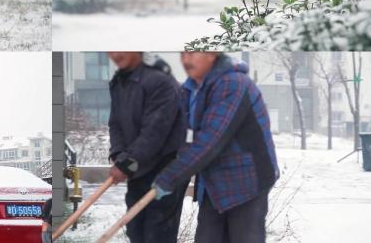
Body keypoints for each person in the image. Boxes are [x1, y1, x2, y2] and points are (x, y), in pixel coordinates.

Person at [153, 53, 280, 243]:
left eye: (194, 54)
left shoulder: (233, 84)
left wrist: (170, 177)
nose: (186, 60)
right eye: (183, 54)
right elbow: (180, 134)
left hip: (247, 183)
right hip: (214, 185)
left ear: (212, 55)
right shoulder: (191, 88)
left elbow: (210, 140)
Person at [107, 52, 187, 243]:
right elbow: (115, 123)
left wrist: (126, 163)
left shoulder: (160, 81)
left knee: (157, 234)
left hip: (166, 168)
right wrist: (119, 156)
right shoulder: (119, 82)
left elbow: (154, 132)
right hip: (138, 169)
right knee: (135, 229)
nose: (115, 54)